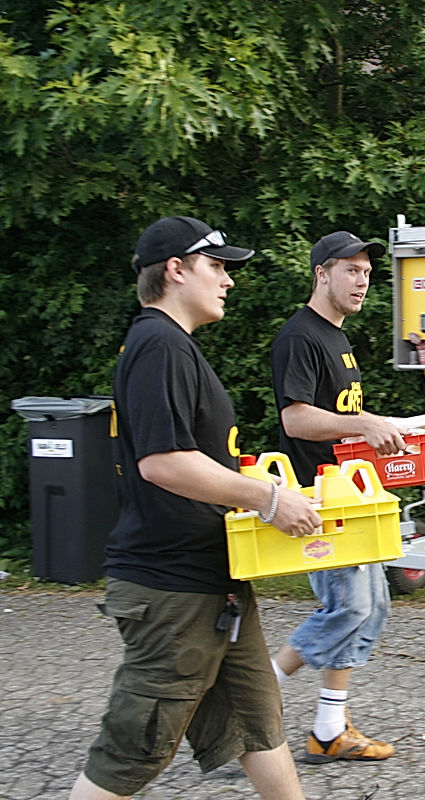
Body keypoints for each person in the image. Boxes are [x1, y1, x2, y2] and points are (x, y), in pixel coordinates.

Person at [70, 216, 324, 800]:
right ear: (176, 270)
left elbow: (192, 458)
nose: (229, 281)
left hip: (216, 584)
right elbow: (164, 463)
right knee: (132, 751)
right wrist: (268, 499)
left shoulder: (170, 346)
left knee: (259, 727)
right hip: (172, 590)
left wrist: (250, 481)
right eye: (217, 266)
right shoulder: (159, 344)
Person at [268, 230, 406, 764]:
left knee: (370, 609)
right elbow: (296, 418)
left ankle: (328, 728)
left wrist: (378, 433)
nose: (362, 280)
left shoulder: (338, 339)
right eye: (351, 270)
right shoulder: (299, 336)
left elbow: (341, 425)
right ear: (321, 273)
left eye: (367, 273)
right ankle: (258, 690)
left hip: (348, 494)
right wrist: (365, 422)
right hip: (315, 497)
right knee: (349, 606)